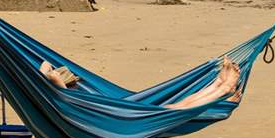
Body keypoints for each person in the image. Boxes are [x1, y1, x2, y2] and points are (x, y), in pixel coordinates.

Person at [39, 57, 243, 108]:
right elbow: (51, 74)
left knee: (181, 106)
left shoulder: (68, 99)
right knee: (181, 107)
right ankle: (222, 88)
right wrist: (47, 70)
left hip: (124, 116)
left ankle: (219, 85)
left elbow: (49, 73)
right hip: (122, 121)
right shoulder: (66, 95)